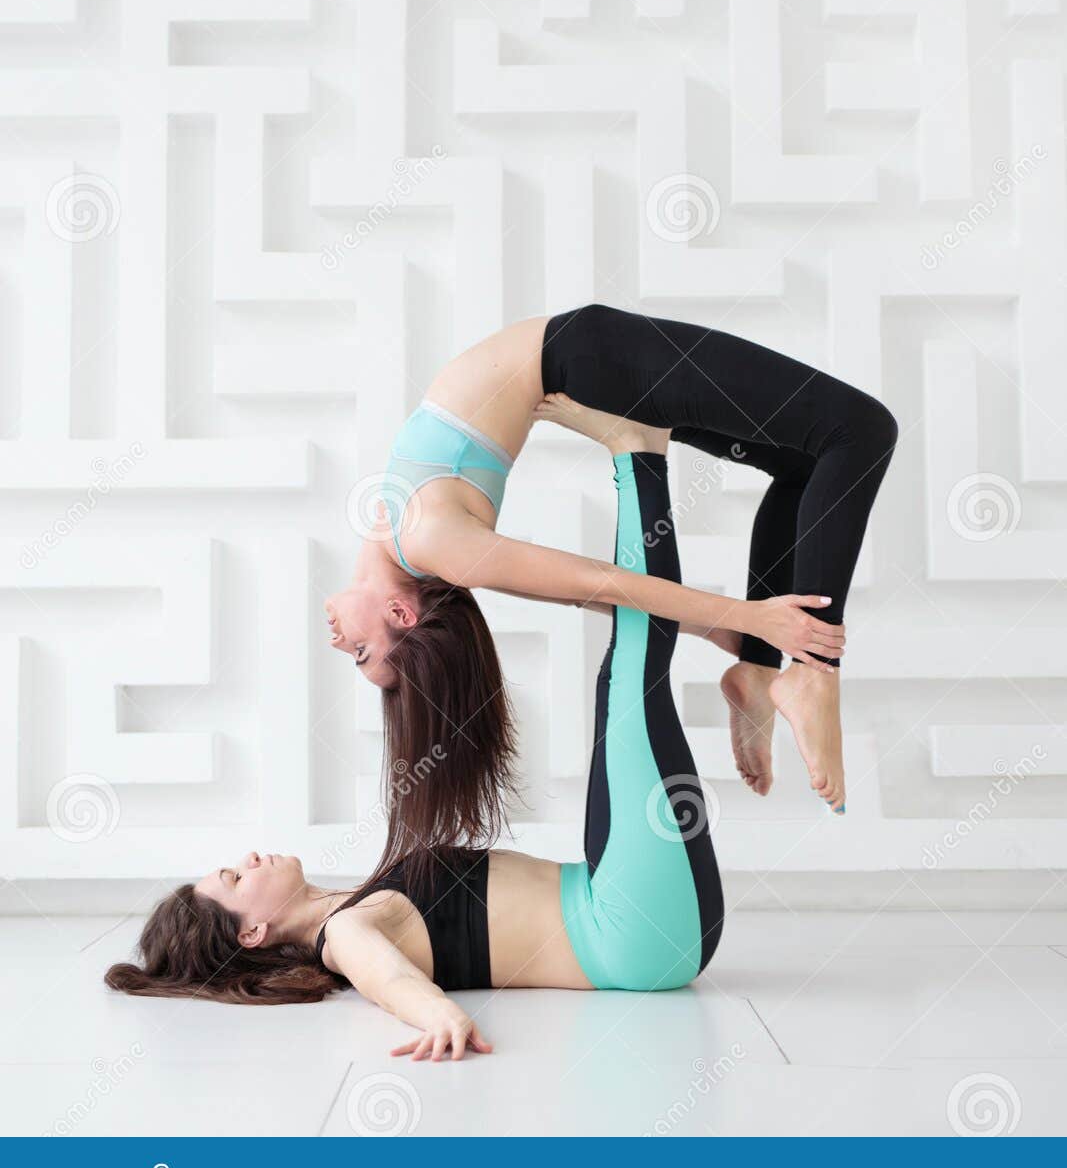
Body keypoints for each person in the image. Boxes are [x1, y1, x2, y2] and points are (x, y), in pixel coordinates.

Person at [106, 410, 723, 1058]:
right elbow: (388, 978)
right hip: (633, 931)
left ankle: (643, 455)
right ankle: (638, 447)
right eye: (234, 879)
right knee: (630, 672)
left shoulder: (356, 897)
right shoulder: (345, 934)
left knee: (626, 674)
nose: (249, 858)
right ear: (253, 933)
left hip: (621, 901)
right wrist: (437, 1018)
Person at [326, 305, 896, 813]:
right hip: (590, 358)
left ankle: (766, 666)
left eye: (357, 653)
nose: (336, 640)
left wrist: (739, 627)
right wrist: (744, 623)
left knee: (813, 454)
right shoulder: (428, 541)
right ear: (402, 615)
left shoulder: (421, 547)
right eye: (359, 650)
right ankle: (809, 674)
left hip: (586, 364)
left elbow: (588, 590)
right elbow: (595, 586)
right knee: (858, 431)